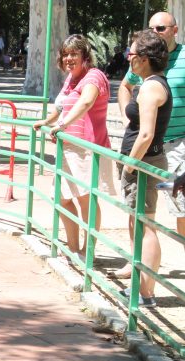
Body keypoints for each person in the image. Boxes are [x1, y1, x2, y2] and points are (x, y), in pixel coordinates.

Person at [33, 34, 115, 260]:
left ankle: (87, 252)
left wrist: (62, 125)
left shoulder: (93, 76)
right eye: (66, 54)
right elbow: (62, 106)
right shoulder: (71, 78)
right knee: (61, 198)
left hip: (87, 148)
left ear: (85, 56)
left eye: (74, 54)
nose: (69, 58)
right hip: (69, 147)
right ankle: (73, 246)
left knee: (85, 200)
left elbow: (86, 102)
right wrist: (47, 121)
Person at [118, 11, 185, 275]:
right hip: (148, 146)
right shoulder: (141, 62)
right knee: (141, 213)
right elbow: (125, 86)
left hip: (178, 141)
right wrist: (128, 117)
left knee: (180, 208)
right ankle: (138, 264)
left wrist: (128, 165)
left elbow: (146, 133)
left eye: (159, 28)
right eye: (150, 28)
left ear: (174, 30)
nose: (154, 32)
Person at [117, 29, 172, 308]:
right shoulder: (149, 83)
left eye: (132, 54)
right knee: (138, 224)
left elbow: (147, 134)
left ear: (144, 58)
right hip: (141, 161)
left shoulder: (151, 87)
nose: (128, 59)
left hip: (143, 163)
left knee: (146, 227)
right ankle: (140, 286)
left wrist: (129, 164)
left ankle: (146, 293)